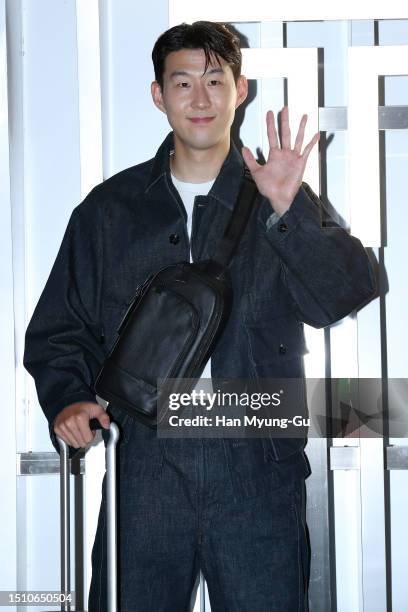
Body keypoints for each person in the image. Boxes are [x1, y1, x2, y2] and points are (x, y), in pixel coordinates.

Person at [23, 21, 376, 611]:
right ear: (159, 96)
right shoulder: (110, 211)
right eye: (183, 82)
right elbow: (60, 329)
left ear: (241, 90)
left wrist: (289, 207)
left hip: (257, 462)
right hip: (146, 460)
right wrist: (67, 397)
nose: (202, 98)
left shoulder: (277, 194)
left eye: (217, 80)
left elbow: (339, 297)